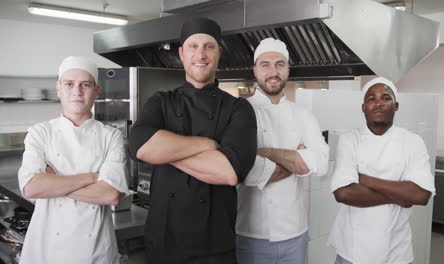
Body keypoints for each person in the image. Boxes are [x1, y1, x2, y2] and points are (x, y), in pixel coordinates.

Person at [128, 17, 257, 264]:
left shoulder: (239, 108)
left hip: (214, 248)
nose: (201, 54)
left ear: (219, 53)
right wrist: (208, 145)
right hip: (162, 243)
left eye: (209, 46)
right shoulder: (160, 101)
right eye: (193, 46)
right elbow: (140, 146)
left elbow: (229, 172)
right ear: (181, 53)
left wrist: (165, 151)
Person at [18, 56, 129, 264]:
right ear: (59, 89)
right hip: (47, 247)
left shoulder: (110, 136)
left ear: (97, 90)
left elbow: (110, 195)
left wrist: (55, 182)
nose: (77, 91)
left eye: (85, 85)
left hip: (95, 250)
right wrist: (92, 177)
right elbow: (32, 188)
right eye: (69, 84)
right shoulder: (40, 133)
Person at [235, 37, 329, 264]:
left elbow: (321, 164)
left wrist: (266, 152)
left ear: (288, 69)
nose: (273, 72)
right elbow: (246, 172)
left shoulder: (303, 115)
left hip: (296, 233)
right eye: (265, 64)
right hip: (250, 233)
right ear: (255, 70)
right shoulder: (238, 111)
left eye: (279, 64)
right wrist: (296, 160)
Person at [328, 77, 435, 264]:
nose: (378, 103)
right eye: (371, 98)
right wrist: (401, 195)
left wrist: (366, 180)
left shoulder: (412, 141)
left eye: (386, 98)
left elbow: (420, 195)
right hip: (353, 251)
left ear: (396, 105)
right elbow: (343, 192)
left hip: (397, 252)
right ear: (363, 107)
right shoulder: (349, 140)